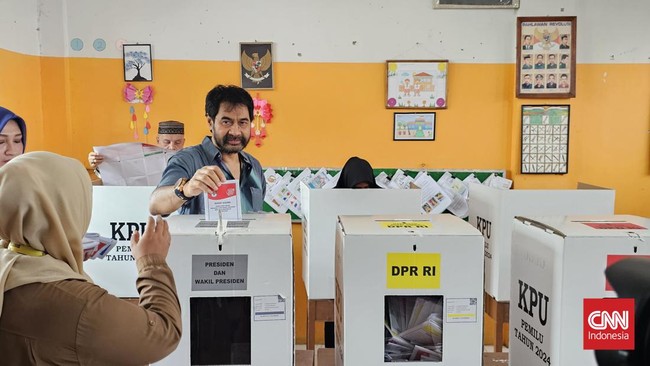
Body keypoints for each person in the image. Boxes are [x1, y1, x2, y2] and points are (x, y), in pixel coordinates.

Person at [0, 152, 181, 365]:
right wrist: (152, 262)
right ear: (68, 208)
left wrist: (61, 259)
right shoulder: (80, 307)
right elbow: (163, 333)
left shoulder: (9, 267)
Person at [150, 85, 265, 216]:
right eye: (226, 122)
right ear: (210, 122)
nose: (235, 131)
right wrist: (187, 189)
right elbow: (155, 205)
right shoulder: (188, 159)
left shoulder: (254, 166)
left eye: (243, 122)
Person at [88, 120, 186, 169]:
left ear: (184, 142)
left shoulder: (191, 159)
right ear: (158, 140)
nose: (172, 147)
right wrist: (99, 164)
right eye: (167, 142)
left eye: (178, 142)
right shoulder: (143, 157)